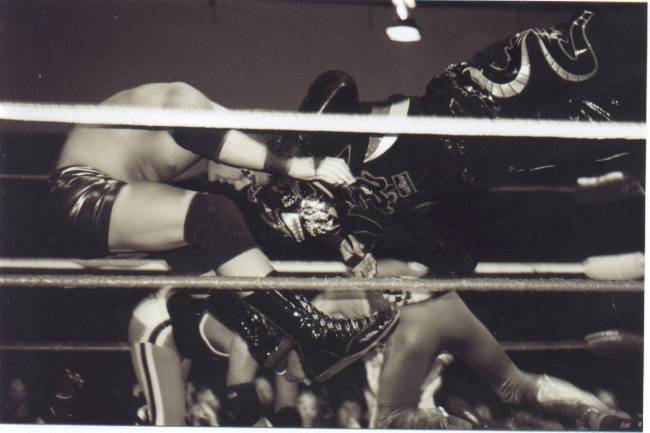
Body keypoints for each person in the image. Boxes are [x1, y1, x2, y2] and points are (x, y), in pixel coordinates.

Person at [237, 10, 636, 430]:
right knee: (608, 124)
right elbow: (447, 239)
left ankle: (594, 415)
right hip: (473, 191)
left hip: (459, 109)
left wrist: (295, 149)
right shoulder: (355, 223)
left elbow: (337, 84)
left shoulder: (328, 149)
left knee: (582, 49)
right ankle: (599, 417)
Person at [49, 82, 399, 425]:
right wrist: (293, 166)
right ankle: (313, 332)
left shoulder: (198, 144)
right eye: (247, 174)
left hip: (101, 211)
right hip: (79, 195)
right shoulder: (191, 101)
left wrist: (338, 239)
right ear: (251, 143)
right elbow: (198, 131)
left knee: (198, 249)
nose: (239, 183)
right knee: (211, 213)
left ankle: (273, 341)